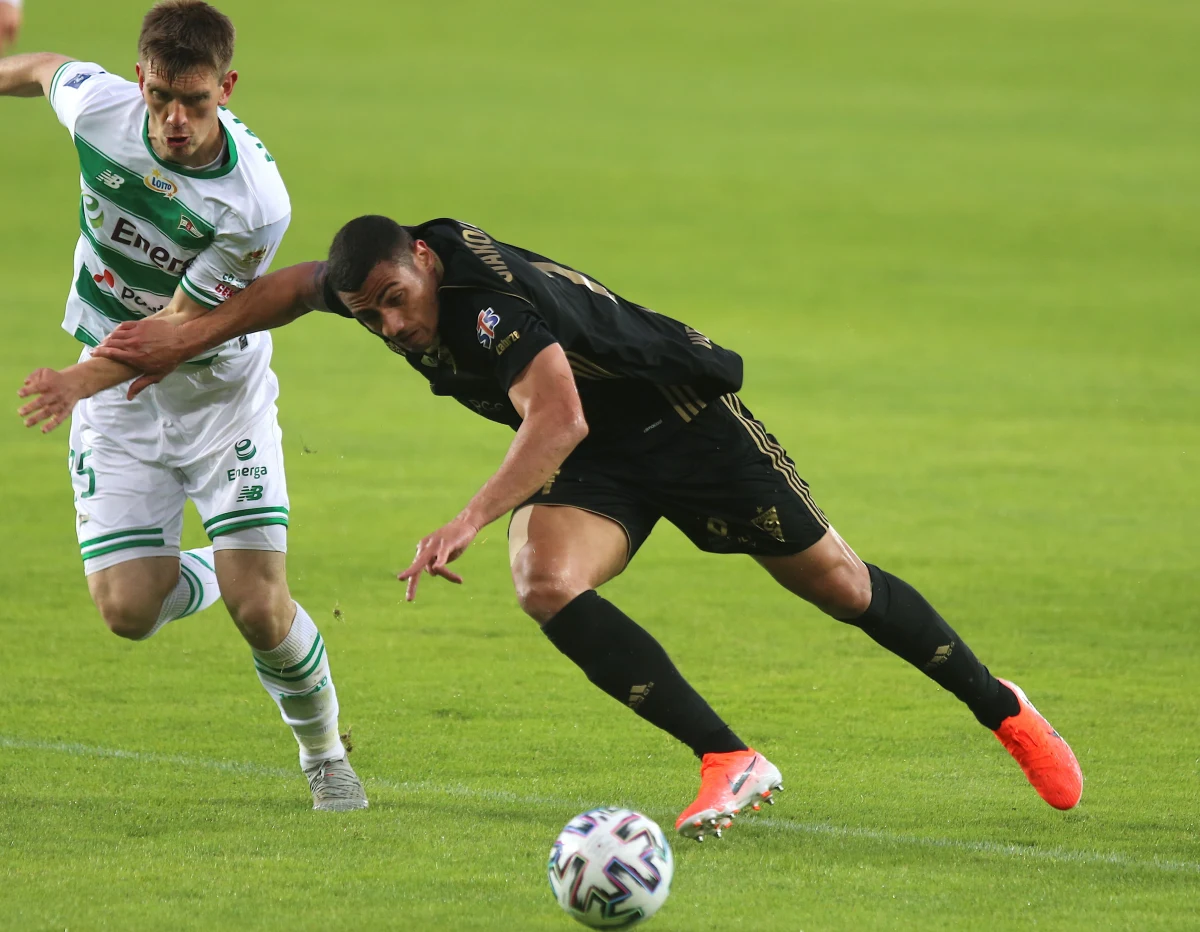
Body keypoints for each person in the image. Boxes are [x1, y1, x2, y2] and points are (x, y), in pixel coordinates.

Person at [27, 215, 1083, 838]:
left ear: (425, 262)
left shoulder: (485, 303)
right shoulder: (379, 282)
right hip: (599, 460)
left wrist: (466, 517)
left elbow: (558, 415)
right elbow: (298, 287)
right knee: (545, 579)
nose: (393, 325)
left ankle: (1006, 711)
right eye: (372, 316)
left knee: (841, 586)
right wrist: (187, 337)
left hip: (681, 423)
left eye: (396, 300)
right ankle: (728, 756)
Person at [4, 0, 366, 811]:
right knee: (129, 612)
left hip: (215, 401)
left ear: (225, 90)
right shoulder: (101, 111)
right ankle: (217, 567)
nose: (174, 119)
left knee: (261, 609)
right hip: (121, 409)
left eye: (194, 102)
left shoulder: (253, 203)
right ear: (139, 79)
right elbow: (39, 69)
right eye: (161, 97)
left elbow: (172, 333)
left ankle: (325, 758)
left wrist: (72, 383)